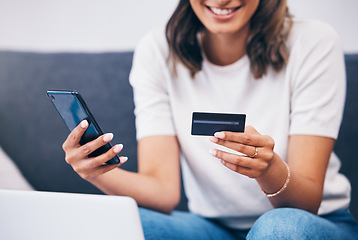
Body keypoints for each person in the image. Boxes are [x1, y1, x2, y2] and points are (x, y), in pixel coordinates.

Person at [62, 0, 358, 239]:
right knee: (119, 223)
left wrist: (269, 169)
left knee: (280, 229)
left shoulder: (313, 42)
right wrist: (96, 171)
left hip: (310, 224)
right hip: (212, 228)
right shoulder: (157, 52)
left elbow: (305, 206)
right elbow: (163, 192)